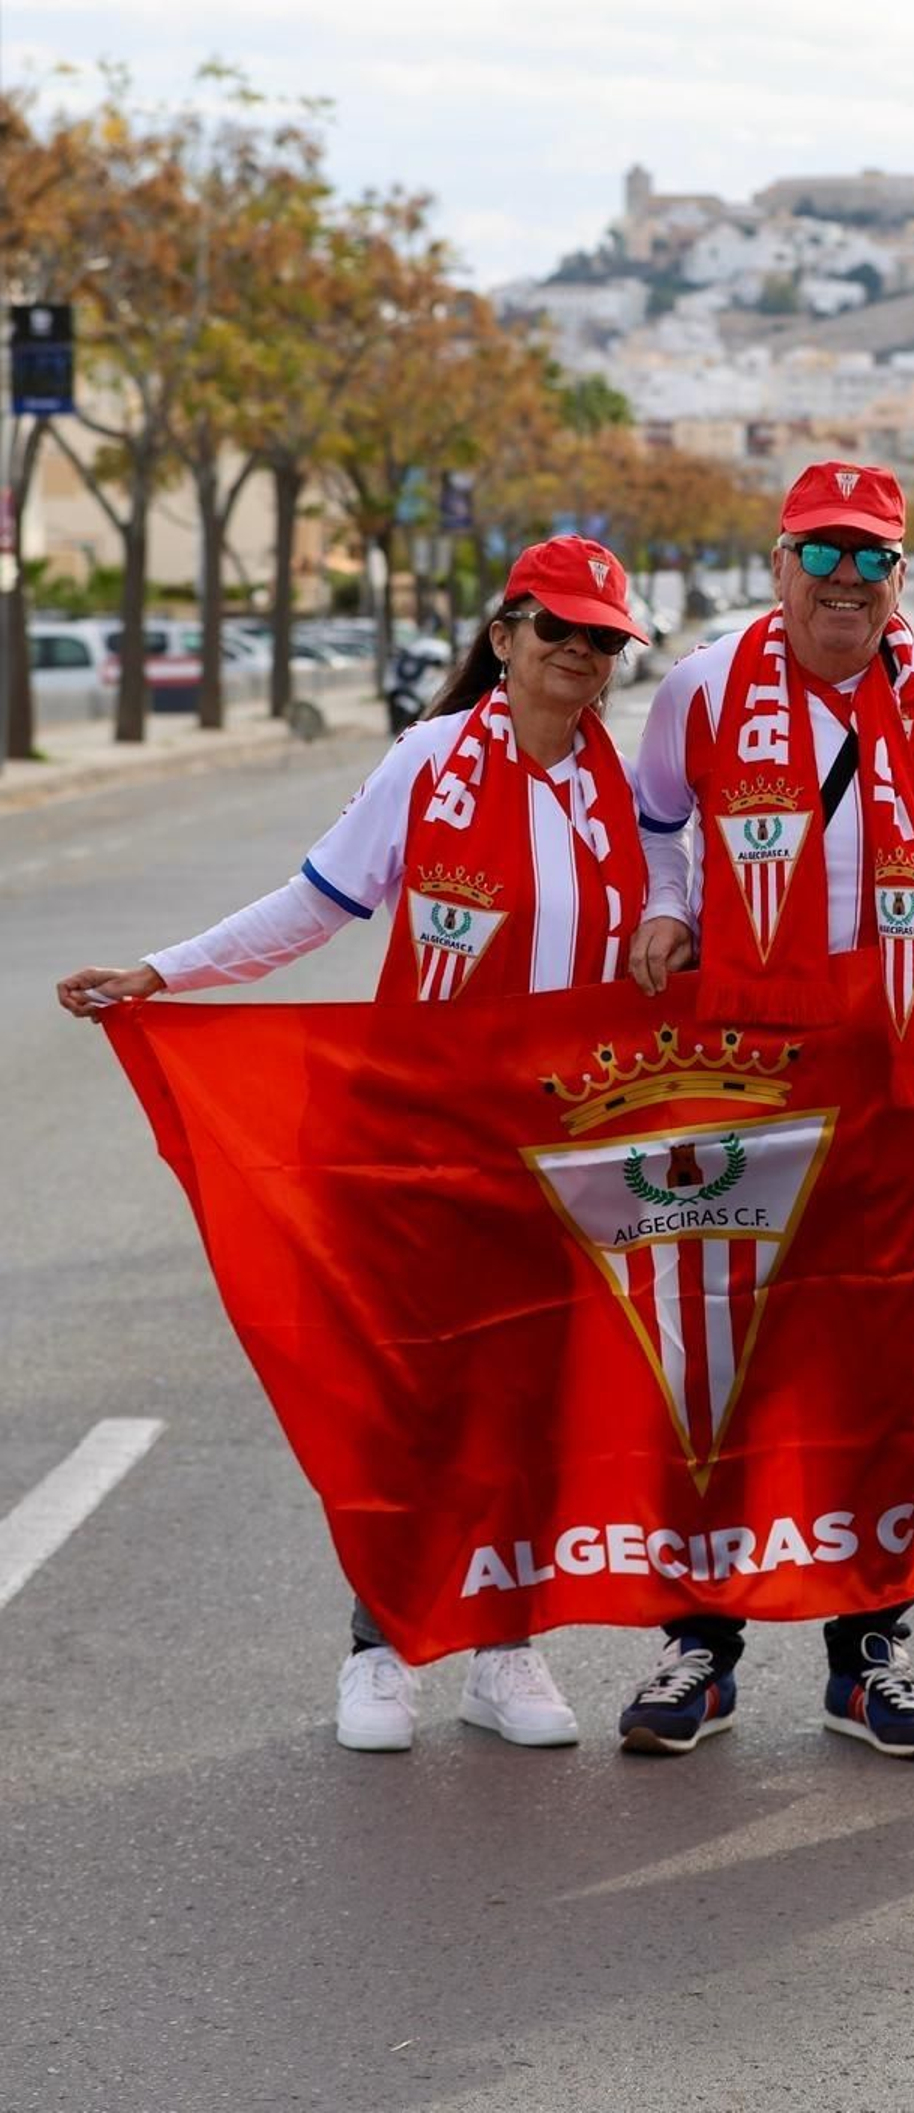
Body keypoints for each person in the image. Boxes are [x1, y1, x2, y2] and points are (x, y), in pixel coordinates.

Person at [57, 536, 653, 1756]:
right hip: (422, 1140)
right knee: (416, 1398)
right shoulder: (429, 764)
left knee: (533, 1402)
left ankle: (504, 1646)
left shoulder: (629, 793)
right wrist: (163, 971)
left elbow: (691, 933)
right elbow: (313, 904)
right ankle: (381, 1645)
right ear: (504, 638)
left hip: (568, 1153)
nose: (579, 655)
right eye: (558, 631)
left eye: (602, 639)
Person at [619, 458, 914, 1760]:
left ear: (901, 572)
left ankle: (868, 1653)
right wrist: (669, 906)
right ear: (779, 561)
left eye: (871, 556)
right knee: (718, 1370)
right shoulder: (702, 686)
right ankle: (698, 1648)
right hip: (736, 1078)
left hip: (896, 1079)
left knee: (882, 1372)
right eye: (822, 553)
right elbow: (659, 823)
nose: (845, 579)